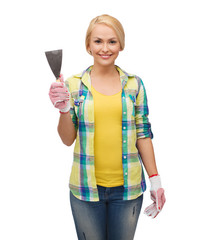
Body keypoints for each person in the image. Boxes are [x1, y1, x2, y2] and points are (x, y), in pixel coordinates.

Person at [49, 14, 166, 240]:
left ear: (121, 45)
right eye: (98, 41)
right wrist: (64, 110)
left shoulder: (134, 85)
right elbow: (67, 139)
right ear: (88, 45)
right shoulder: (73, 84)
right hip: (85, 190)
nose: (105, 48)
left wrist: (155, 180)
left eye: (112, 41)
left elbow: (143, 134)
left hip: (128, 191)